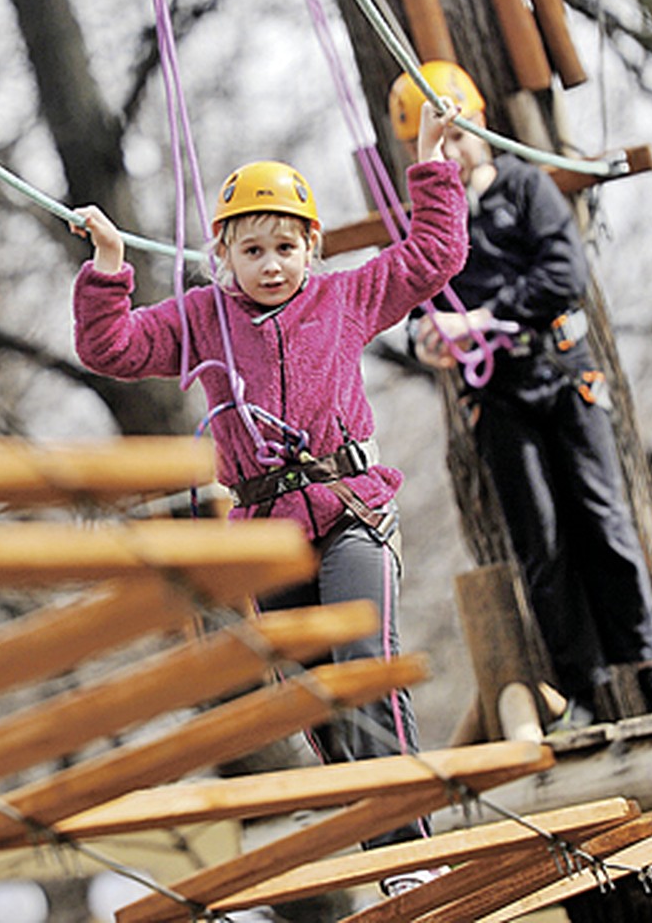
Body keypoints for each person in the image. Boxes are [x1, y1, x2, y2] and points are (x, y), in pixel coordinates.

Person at [69, 99, 466, 862]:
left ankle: (411, 846)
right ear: (224, 255)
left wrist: (435, 169)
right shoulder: (200, 317)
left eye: (286, 246)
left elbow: (432, 257)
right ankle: (377, 847)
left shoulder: (344, 298)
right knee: (318, 701)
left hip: (352, 513)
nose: (272, 264)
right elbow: (112, 348)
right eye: (253, 251)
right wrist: (111, 269)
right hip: (271, 538)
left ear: (311, 247)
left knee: (363, 668)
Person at [390, 59, 652, 731]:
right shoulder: (433, 223)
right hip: (498, 399)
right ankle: (581, 687)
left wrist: (484, 318)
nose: (455, 153)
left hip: (562, 374)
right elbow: (411, 295)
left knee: (602, 520)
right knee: (540, 542)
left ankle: (650, 669)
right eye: (438, 143)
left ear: (482, 128)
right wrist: (423, 339)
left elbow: (563, 272)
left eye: (461, 137)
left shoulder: (526, 189)